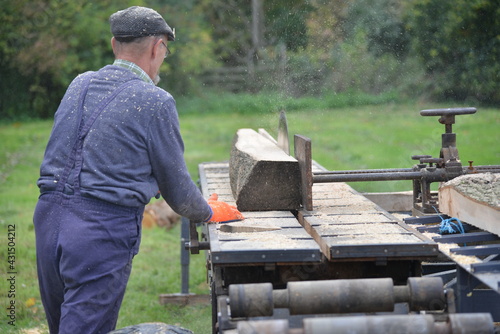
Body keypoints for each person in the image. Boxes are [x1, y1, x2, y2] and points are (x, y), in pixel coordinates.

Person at [33, 6, 242, 334]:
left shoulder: (80, 84)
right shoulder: (155, 100)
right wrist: (207, 211)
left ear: (115, 45)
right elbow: (177, 190)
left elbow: (80, 155)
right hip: (98, 230)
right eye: (165, 51)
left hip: (47, 220)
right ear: (158, 48)